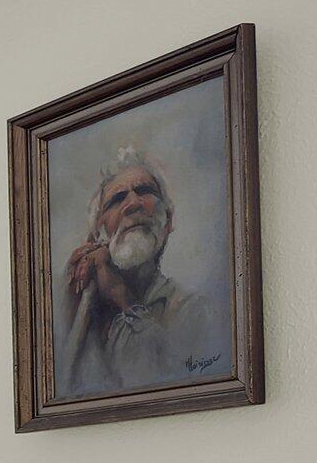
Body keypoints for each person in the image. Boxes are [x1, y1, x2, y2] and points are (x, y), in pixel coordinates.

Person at [57, 145, 229, 396]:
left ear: (168, 221)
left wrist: (125, 300)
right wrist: (70, 309)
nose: (133, 204)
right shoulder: (76, 309)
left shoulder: (198, 313)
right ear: (98, 234)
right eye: (117, 199)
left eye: (145, 191)